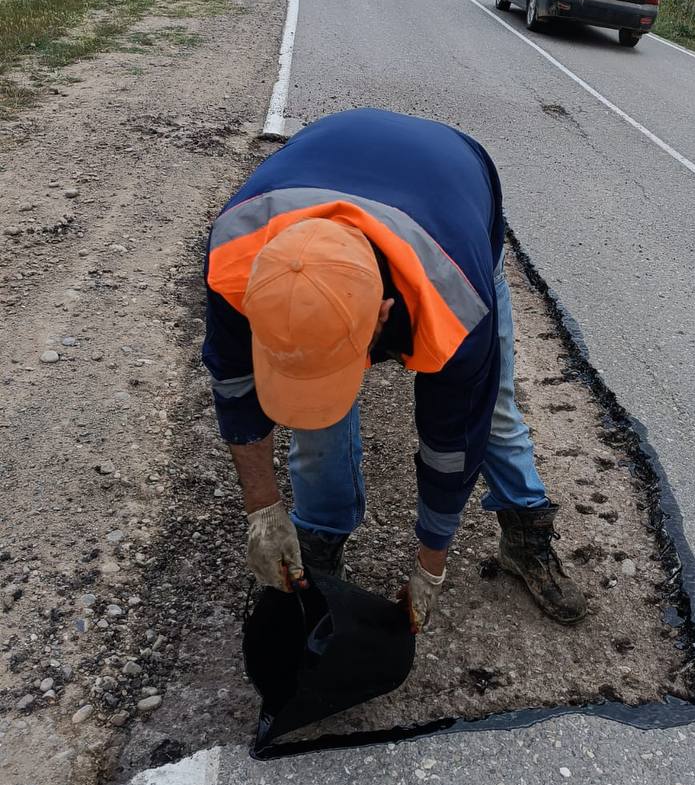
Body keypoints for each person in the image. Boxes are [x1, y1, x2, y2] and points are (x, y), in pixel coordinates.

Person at [203, 108, 586, 631]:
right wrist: (263, 511)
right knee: (316, 417)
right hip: (330, 169)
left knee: (491, 407)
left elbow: (453, 440)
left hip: (456, 200)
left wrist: (430, 564)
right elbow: (233, 385)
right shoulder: (235, 257)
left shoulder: (457, 299)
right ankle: (318, 536)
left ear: (384, 313)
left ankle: (525, 533)